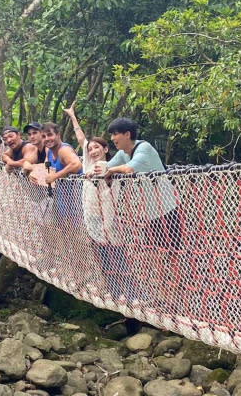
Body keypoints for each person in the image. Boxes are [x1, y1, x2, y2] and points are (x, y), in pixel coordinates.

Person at [101, 117, 182, 312]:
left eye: (115, 134)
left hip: (167, 211)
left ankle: (176, 301)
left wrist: (109, 171)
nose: (112, 138)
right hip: (150, 214)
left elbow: (128, 169)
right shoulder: (123, 153)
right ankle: (163, 299)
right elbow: (106, 166)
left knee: (170, 258)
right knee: (155, 257)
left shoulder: (143, 148)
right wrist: (95, 170)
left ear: (127, 134)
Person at [63, 102, 134, 300]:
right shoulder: (88, 163)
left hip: (109, 218)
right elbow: (80, 138)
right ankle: (114, 290)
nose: (93, 151)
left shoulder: (113, 164)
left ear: (105, 149)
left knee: (117, 251)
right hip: (91, 215)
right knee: (101, 253)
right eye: (90, 148)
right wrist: (72, 117)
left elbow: (116, 170)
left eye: (97, 148)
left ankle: (131, 292)